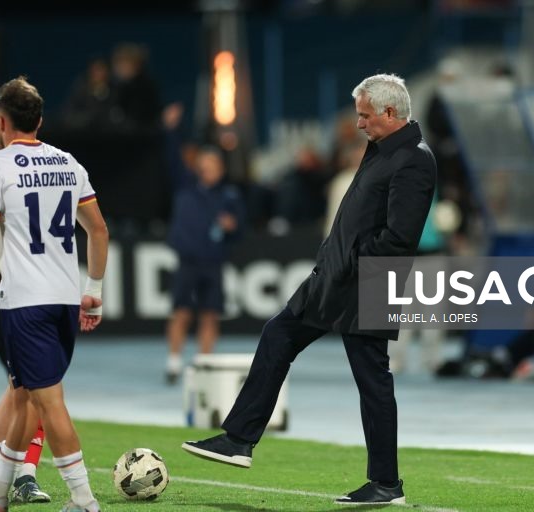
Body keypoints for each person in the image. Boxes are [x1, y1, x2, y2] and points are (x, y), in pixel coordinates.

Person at [181, 74, 437, 506]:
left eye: (364, 115)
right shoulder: (385, 149)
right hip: (337, 277)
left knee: (372, 379)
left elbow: (400, 236)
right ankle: (240, 439)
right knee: (280, 334)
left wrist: (349, 261)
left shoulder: (414, 158)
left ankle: (385, 484)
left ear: (390, 113)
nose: (358, 124)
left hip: (368, 282)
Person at [0, 76, 109, 512]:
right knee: (24, 396)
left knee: (48, 403)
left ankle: (84, 500)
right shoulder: (68, 163)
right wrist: (94, 290)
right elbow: (99, 230)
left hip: (26, 302)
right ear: (40, 120)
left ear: (0, 121)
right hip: (65, 299)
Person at [0, 103, 51, 504]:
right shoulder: (37, 165)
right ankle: (17, 471)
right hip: (34, 284)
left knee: (33, 389)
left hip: (22, 286)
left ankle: (24, 476)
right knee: (28, 385)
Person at [162, 103, 245, 384]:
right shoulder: (185, 186)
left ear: (221, 168)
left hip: (214, 263)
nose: (207, 169)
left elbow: (240, 231)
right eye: (204, 165)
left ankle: (204, 365)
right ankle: (174, 363)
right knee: (181, 312)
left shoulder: (230, 196)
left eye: (213, 166)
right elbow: (173, 157)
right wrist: (172, 129)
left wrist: (232, 227)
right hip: (187, 261)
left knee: (210, 314)